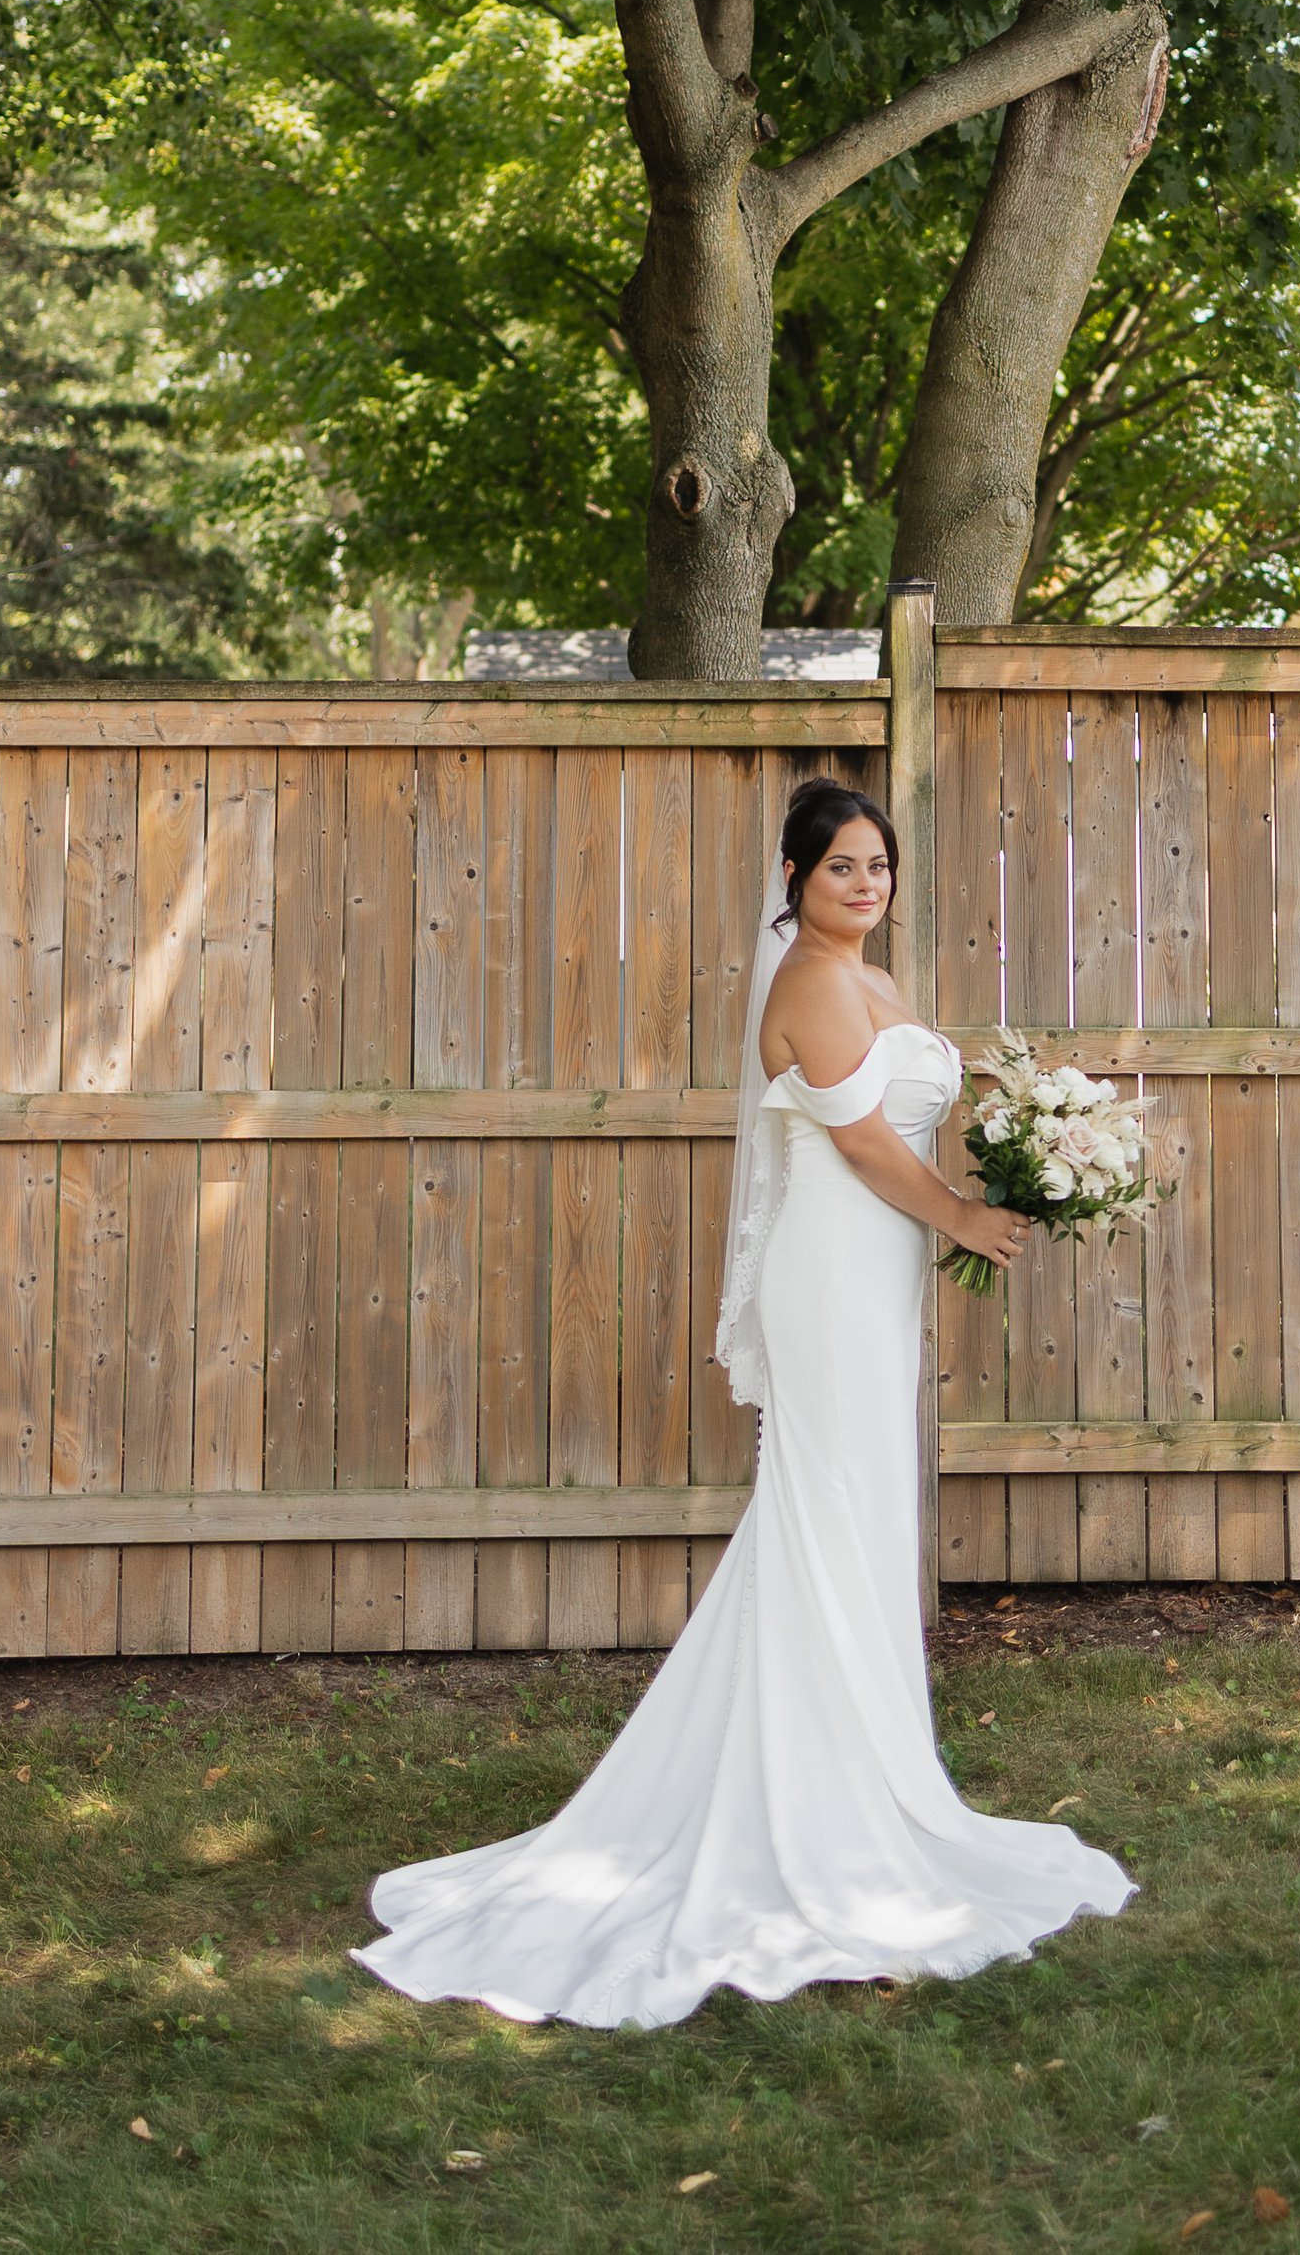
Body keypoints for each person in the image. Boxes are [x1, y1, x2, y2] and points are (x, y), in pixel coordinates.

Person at [355, 775, 1136, 2025]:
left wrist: (1034, 1151)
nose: (864, 885)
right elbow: (866, 1145)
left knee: (858, 1512)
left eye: (878, 865)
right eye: (840, 868)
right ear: (793, 880)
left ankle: (864, 1780)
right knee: (826, 1509)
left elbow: (916, 1117)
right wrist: (968, 1220)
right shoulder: (812, 985)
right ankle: (814, 1810)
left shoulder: (871, 978)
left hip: (875, 1272)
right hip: (832, 1268)